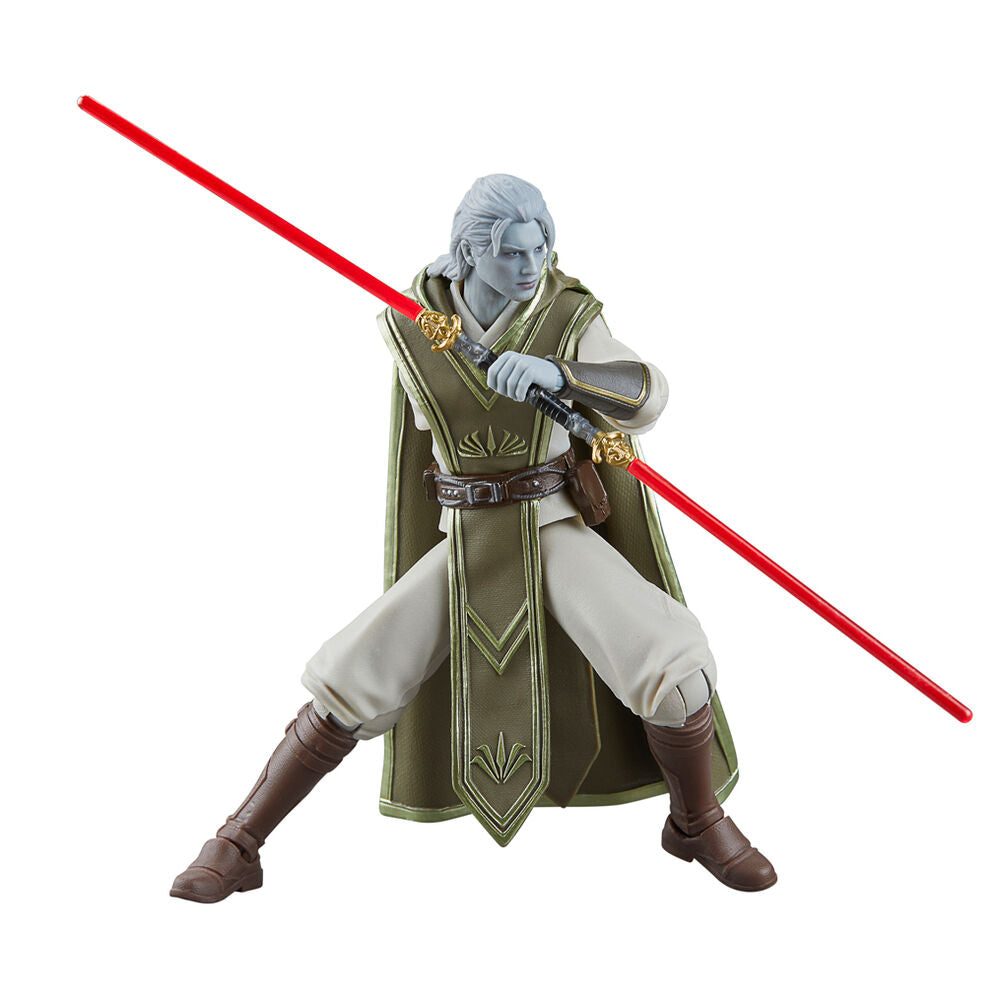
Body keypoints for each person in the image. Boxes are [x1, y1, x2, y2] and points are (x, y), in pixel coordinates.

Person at [170, 175, 776, 903]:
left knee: (674, 668)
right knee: (350, 679)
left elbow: (647, 394)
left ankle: (696, 822)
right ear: (470, 254)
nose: (531, 266)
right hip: (466, 537)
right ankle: (239, 843)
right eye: (512, 253)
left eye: (540, 249)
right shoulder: (414, 325)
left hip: (551, 526)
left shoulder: (566, 314)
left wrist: (561, 373)